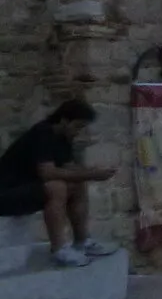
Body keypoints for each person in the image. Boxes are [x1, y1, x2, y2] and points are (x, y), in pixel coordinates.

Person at [0, 98, 118, 267]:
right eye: (77, 126)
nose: (80, 131)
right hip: (6, 194)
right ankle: (59, 249)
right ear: (64, 120)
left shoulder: (63, 139)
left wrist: (95, 171)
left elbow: (71, 169)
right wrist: (91, 174)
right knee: (57, 187)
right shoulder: (43, 133)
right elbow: (47, 173)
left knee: (78, 184)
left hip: (26, 190)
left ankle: (82, 241)